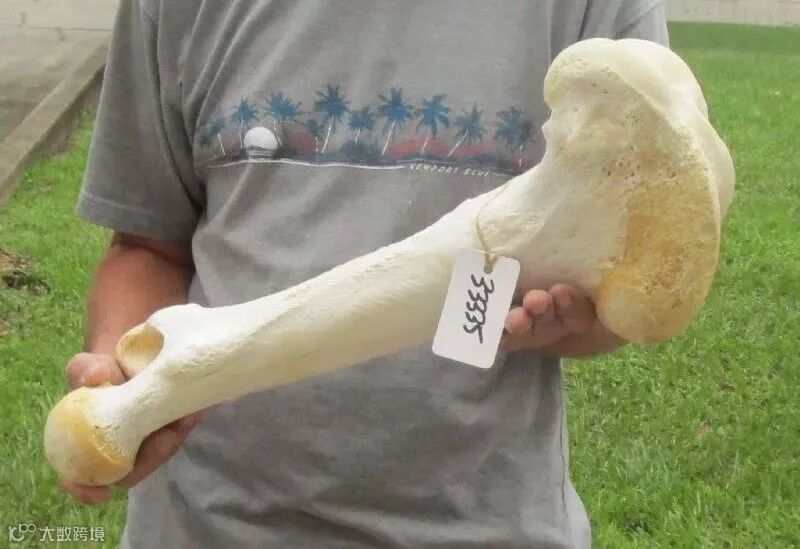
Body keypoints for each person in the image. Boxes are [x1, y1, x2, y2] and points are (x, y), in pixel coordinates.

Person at [60, 1, 669, 547]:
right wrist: (122, 380)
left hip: (482, 523)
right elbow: (147, 247)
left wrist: (572, 323)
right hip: (206, 523)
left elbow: (630, 274)